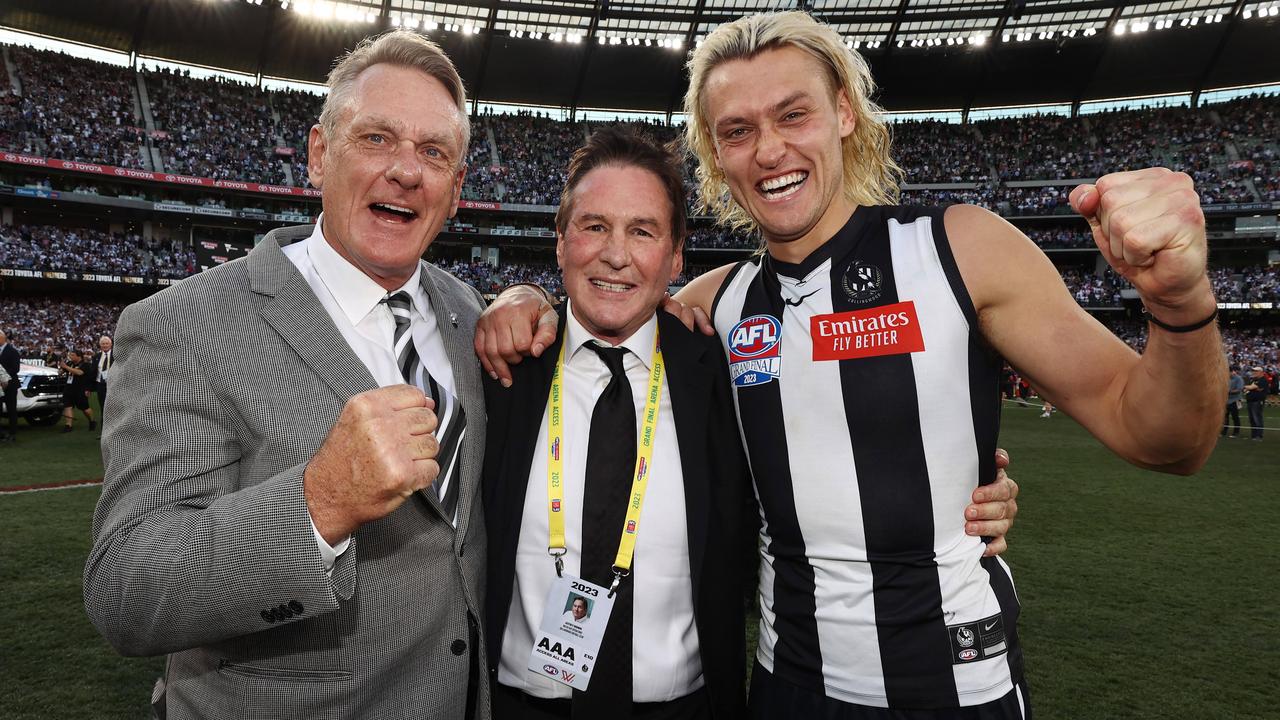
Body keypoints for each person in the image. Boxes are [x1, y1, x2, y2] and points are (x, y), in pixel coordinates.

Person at [476, 11, 1225, 718]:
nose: (769, 150)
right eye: (737, 130)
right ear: (716, 154)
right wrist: (524, 299)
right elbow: (606, 301)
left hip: (956, 687)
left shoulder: (961, 250)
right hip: (782, 689)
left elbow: (1164, 437)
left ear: (844, 112)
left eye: (792, 115)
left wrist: (1180, 298)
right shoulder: (717, 307)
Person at [482, 129, 1019, 720]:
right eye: (593, 226)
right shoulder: (503, 369)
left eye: (643, 231)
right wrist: (518, 293)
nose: (616, 254)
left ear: (676, 256)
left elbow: (827, 441)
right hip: (517, 704)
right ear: (559, 242)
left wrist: (961, 492)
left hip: (685, 708)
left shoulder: (719, 370)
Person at [85, 31, 490, 719]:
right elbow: (127, 588)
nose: (404, 171)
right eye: (375, 139)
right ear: (317, 154)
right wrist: (318, 503)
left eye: (432, 153)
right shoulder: (182, 324)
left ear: (453, 192)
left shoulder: (467, 312)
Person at [57, 348, 96, 432]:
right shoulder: (69, 363)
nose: (70, 357)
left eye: (72, 355)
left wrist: (66, 367)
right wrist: (61, 368)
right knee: (67, 406)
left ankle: (92, 421)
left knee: (84, 408)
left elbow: (79, 372)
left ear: (79, 356)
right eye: (70, 355)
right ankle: (68, 425)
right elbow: (60, 373)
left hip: (80, 389)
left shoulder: (85, 365)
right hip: (68, 388)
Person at [0, 330, 18, 442]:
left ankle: (12, 433)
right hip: (0, 385)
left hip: (10, 384)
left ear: (2, 338)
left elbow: (15, 369)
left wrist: (3, 378)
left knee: (11, 409)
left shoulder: (12, 351)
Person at [1244, 366, 1269, 440]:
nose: (1254, 372)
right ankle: (1254, 435)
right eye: (1253, 371)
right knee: (1252, 419)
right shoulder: (1253, 380)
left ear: (1261, 372)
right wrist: (1251, 387)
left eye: (1256, 371)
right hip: (1250, 401)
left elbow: (1252, 388)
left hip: (1257, 402)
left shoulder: (1263, 380)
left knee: (1257, 419)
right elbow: (1249, 388)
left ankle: (1258, 436)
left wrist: (1249, 387)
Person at [92, 334, 113, 414]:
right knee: (102, 406)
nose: (105, 345)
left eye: (107, 343)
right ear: (100, 345)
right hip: (100, 385)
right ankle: (103, 424)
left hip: (112, 384)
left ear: (111, 344)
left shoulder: (115, 355)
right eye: (103, 344)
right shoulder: (96, 356)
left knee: (113, 405)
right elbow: (93, 372)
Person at [1223, 365, 1244, 437]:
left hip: (1235, 400)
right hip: (1226, 400)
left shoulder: (1238, 379)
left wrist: (1228, 391)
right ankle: (1224, 431)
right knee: (1225, 417)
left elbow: (1239, 389)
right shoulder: (1226, 378)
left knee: (1235, 417)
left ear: (1232, 372)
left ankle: (1236, 432)